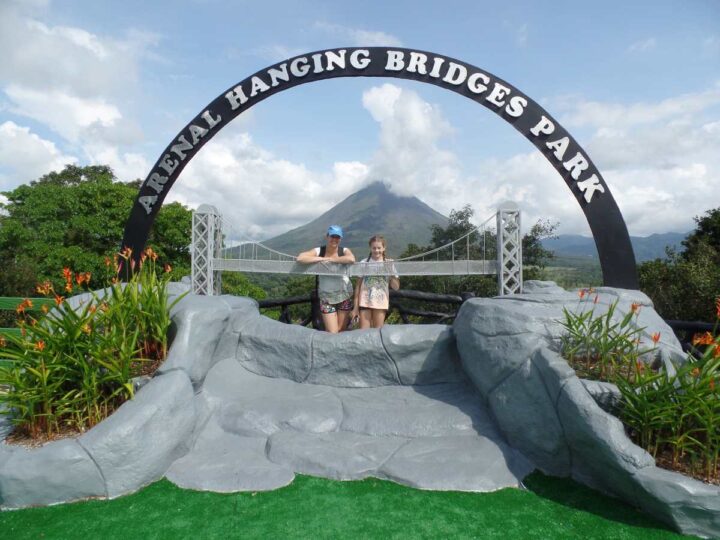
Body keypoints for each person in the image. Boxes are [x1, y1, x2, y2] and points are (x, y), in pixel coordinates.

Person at [297, 225, 356, 333]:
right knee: (332, 332)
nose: (334, 239)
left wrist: (332, 260)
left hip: (344, 295)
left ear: (340, 239)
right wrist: (322, 259)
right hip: (326, 297)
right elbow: (301, 258)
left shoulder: (344, 250)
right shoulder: (319, 250)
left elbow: (351, 258)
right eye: (332, 236)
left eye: (337, 237)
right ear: (327, 236)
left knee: (341, 330)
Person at [352, 235, 400, 329]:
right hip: (364, 302)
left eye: (379, 248)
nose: (376, 250)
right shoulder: (364, 263)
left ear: (384, 248)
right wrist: (355, 307)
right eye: (374, 248)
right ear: (370, 248)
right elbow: (358, 286)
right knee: (363, 333)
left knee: (377, 333)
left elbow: (396, 287)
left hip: (381, 302)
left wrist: (390, 272)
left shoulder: (389, 263)